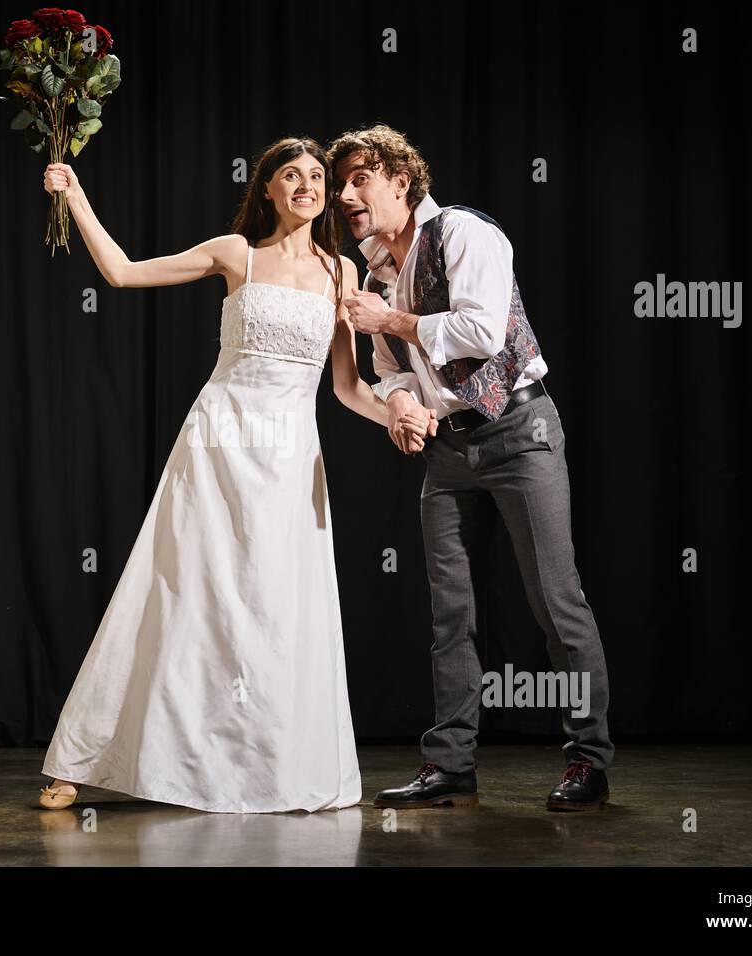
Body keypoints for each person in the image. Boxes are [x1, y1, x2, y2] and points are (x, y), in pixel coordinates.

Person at [35, 137, 434, 813]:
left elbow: (346, 386)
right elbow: (125, 274)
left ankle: (260, 765)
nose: (307, 184)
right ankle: (83, 757)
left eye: (315, 175)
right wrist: (72, 195)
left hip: (288, 458)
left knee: (275, 610)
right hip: (219, 441)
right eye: (291, 175)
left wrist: (398, 415)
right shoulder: (235, 253)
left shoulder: (343, 273)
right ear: (270, 191)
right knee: (177, 593)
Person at [327, 124, 615, 811]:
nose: (344, 195)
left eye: (359, 179)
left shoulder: (463, 232)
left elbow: (483, 332)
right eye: (342, 184)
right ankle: (450, 762)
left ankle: (589, 761)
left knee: (556, 599)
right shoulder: (376, 276)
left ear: (400, 179)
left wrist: (390, 321)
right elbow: (390, 372)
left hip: (520, 429)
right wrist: (401, 406)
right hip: (450, 448)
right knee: (449, 612)